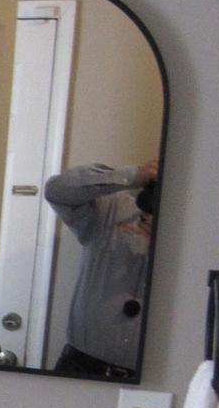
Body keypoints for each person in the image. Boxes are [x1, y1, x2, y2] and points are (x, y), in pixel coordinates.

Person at [43, 160, 157, 379]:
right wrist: (134, 175)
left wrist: (162, 244)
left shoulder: (194, 242)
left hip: (150, 378)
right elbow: (56, 191)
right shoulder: (112, 209)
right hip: (80, 365)